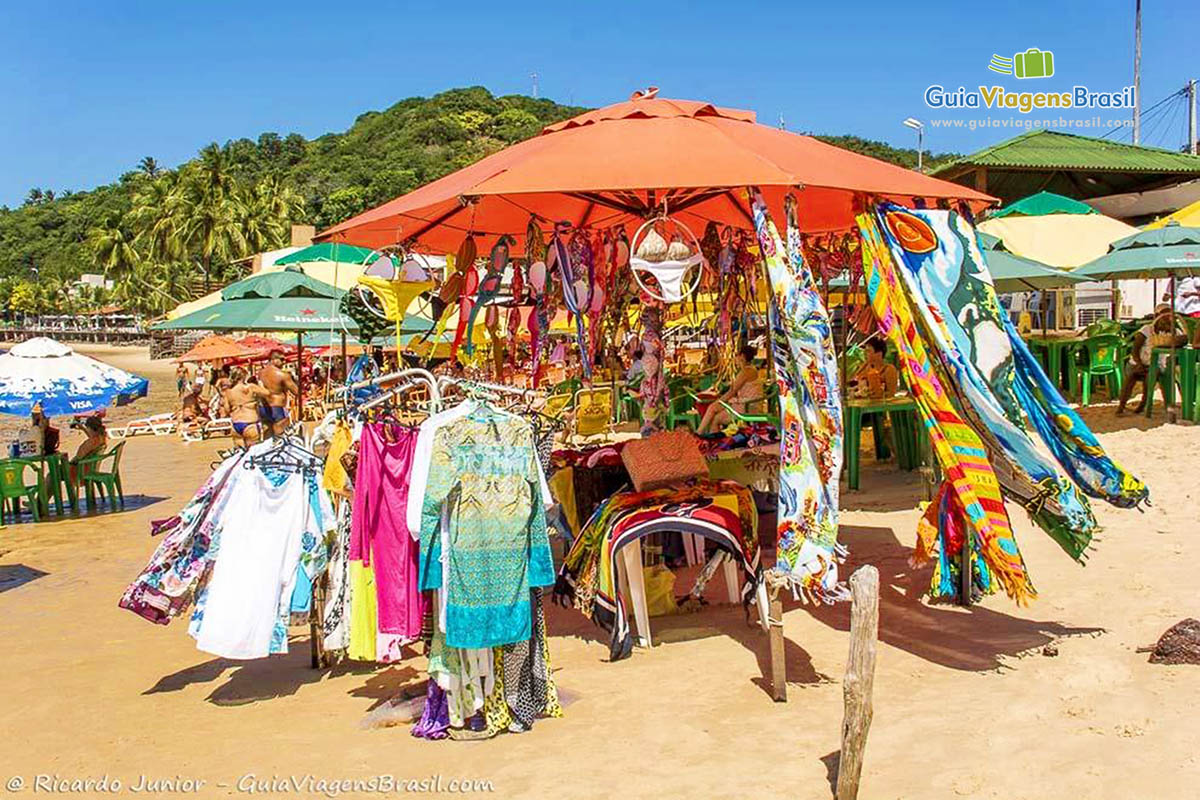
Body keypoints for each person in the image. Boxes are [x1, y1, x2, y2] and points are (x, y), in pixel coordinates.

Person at [1117, 303, 1188, 415]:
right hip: (1137, 362)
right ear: (1157, 316)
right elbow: (1135, 350)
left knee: (1150, 375)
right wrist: (1139, 364)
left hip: (1159, 365)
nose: (1167, 318)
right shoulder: (1146, 330)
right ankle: (1121, 407)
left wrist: (1172, 330)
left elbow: (1183, 341)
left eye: (1169, 316)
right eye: (1164, 315)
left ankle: (1143, 405)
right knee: (1131, 376)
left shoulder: (1175, 332)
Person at [697, 344, 762, 434]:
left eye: (736, 355)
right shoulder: (749, 370)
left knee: (714, 415)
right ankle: (700, 433)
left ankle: (701, 434)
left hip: (748, 407)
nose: (735, 359)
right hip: (745, 404)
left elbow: (732, 391)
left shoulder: (746, 372)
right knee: (712, 409)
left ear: (742, 356)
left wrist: (720, 401)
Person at [224, 369, 272, 447]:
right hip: (250, 423)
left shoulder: (228, 392)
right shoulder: (250, 387)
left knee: (240, 454)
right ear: (243, 376)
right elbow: (267, 393)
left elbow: (227, 410)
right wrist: (260, 384)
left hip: (235, 423)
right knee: (253, 453)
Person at [258, 349, 299, 435]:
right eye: (282, 359)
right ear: (273, 360)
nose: (284, 362)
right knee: (280, 435)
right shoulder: (283, 375)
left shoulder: (261, 373)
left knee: (267, 435)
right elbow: (296, 391)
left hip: (263, 407)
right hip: (277, 407)